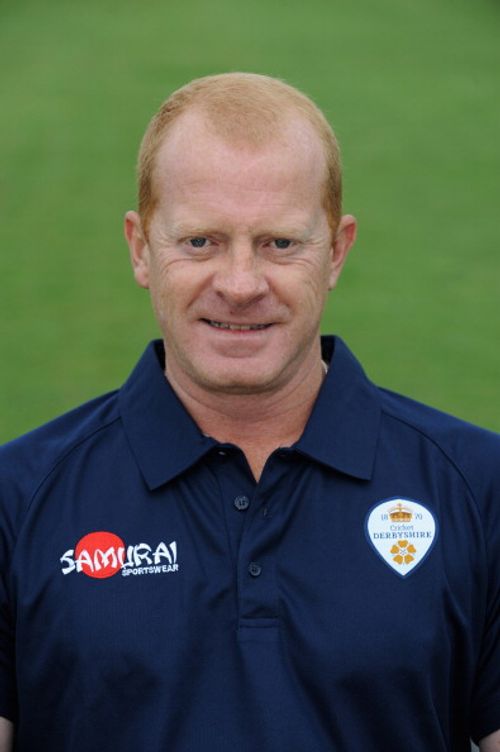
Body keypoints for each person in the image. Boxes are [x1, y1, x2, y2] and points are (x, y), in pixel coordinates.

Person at [0, 72, 498, 752]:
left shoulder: (480, 487)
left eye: (280, 244)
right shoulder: (16, 499)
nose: (239, 285)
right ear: (141, 248)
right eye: (201, 242)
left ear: (338, 250)